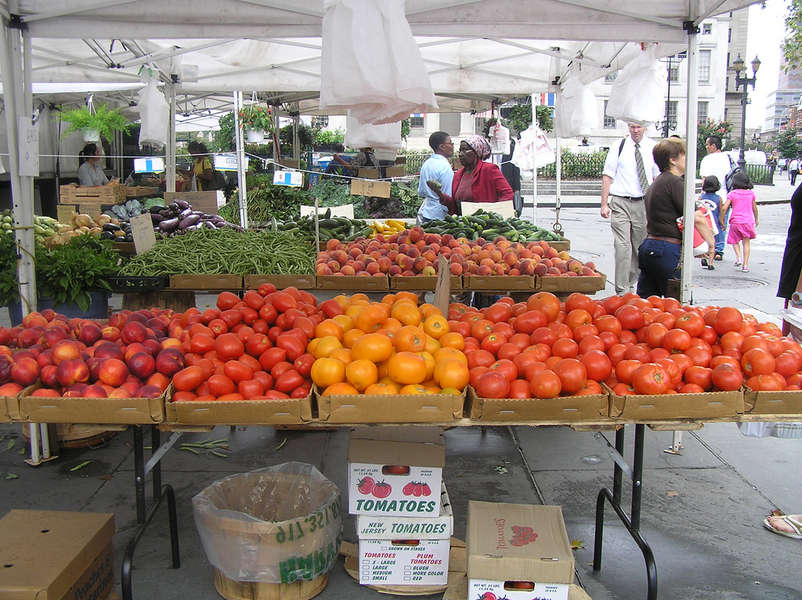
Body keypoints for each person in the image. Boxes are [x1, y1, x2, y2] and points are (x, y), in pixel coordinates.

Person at [636, 137, 715, 297]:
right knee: (678, 302)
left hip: (650, 246)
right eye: (684, 155)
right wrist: (711, 243)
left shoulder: (657, 182)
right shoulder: (675, 183)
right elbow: (697, 217)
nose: (688, 160)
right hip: (667, 249)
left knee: (647, 303)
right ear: (673, 160)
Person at [600, 122, 660, 295]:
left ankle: (631, 283)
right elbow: (607, 175)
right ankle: (621, 290)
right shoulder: (618, 146)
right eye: (632, 127)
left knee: (639, 247)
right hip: (621, 201)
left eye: (638, 127)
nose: (635, 130)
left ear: (645, 127)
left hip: (643, 202)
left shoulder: (652, 147)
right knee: (622, 246)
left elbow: (657, 178)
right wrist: (604, 203)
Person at [428, 135, 513, 215]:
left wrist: (495, 213)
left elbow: (507, 193)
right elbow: (454, 206)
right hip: (464, 223)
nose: (460, 154)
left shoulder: (489, 169)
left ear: (477, 152)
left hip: (484, 222)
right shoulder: (458, 175)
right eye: (460, 150)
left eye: (465, 150)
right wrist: (439, 193)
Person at [699, 135, 734, 261]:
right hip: (725, 196)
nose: (706, 147)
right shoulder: (728, 157)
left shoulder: (707, 160)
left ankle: (709, 248)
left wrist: (702, 196)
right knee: (721, 223)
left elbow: (704, 179)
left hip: (708, 197)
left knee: (708, 222)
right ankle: (719, 250)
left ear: (713, 146)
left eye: (707, 144)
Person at [719, 170, 758, 273]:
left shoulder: (732, 194)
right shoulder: (751, 194)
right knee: (746, 243)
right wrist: (756, 219)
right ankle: (745, 265)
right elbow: (754, 208)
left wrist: (722, 220)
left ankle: (739, 257)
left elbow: (724, 208)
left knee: (734, 241)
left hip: (735, 221)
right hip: (748, 221)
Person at [416, 131, 454, 224]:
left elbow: (421, 191)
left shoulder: (427, 164)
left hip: (427, 213)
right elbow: (448, 194)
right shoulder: (445, 166)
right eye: (450, 143)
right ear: (442, 146)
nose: (453, 146)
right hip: (441, 216)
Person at [697, 175, 723, 267]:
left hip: (704, 221)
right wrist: (722, 222)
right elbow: (721, 211)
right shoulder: (718, 198)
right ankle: (711, 263)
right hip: (714, 222)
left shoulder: (701, 197)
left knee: (705, 240)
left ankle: (704, 257)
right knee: (713, 242)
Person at [501, 138, 522, 216]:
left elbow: (516, 170)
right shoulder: (488, 150)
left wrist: (517, 189)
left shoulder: (511, 150)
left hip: (507, 186)